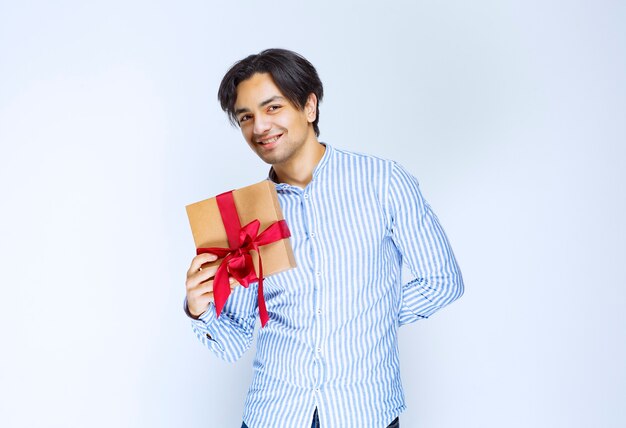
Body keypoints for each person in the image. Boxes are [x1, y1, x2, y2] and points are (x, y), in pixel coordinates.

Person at [184, 48, 464, 428]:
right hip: (273, 414)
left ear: (310, 106)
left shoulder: (382, 181)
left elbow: (442, 281)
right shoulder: (246, 213)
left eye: (272, 107)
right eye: (245, 116)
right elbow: (233, 340)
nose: (259, 127)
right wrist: (200, 308)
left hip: (364, 413)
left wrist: (366, 316)